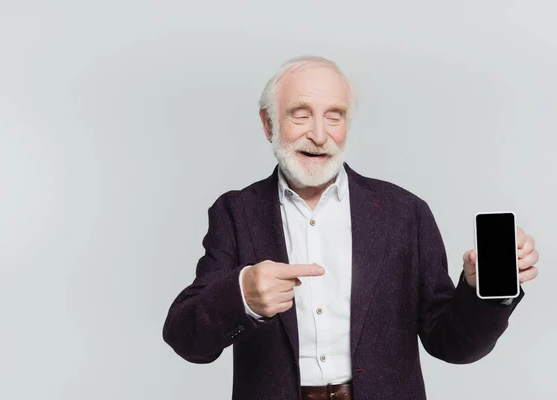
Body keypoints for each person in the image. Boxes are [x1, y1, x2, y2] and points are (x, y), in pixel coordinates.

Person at [162, 55, 540, 400]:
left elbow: (453, 345)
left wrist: (480, 291)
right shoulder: (235, 212)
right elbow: (187, 340)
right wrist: (242, 295)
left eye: (334, 115)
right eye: (300, 114)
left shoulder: (405, 213)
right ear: (268, 123)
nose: (319, 134)